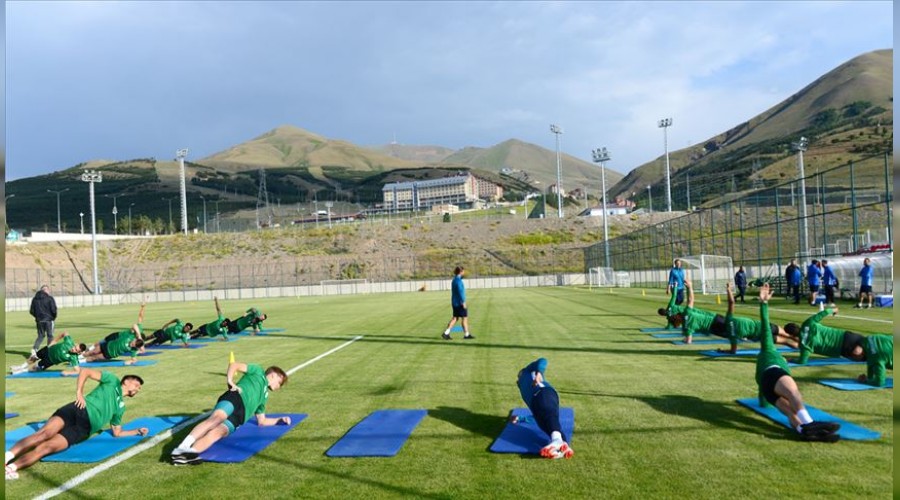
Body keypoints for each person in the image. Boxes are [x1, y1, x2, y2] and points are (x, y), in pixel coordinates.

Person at [5, 368, 147, 480]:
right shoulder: (112, 380)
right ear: (126, 382)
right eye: (136, 385)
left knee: (46, 448)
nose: (137, 389)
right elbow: (85, 371)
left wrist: (136, 431)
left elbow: (117, 432)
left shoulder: (121, 407)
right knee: (44, 434)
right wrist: (79, 392)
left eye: (139, 388)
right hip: (77, 409)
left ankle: (11, 468)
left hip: (84, 428)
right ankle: (7, 456)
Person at [753, 283, 840, 442]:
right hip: (773, 373)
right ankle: (810, 423)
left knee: (790, 412)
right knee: (793, 393)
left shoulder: (763, 360)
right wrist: (764, 304)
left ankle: (803, 431)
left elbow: (762, 391)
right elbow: (765, 326)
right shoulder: (769, 351)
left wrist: (763, 402)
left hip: (766, 387)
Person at [170, 361, 289, 465]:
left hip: (240, 416)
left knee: (218, 433)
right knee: (216, 418)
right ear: (273, 375)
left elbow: (262, 421)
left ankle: (187, 455)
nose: (279, 387)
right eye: (280, 383)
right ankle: (182, 447)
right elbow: (234, 365)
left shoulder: (264, 396)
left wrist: (279, 420)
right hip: (236, 397)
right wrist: (230, 381)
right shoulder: (258, 370)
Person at [515, 357, 573, 459]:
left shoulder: (528, 371)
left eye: (518, 376)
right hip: (537, 402)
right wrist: (521, 419)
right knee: (546, 425)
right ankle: (562, 448)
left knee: (549, 415)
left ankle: (557, 442)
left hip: (544, 393)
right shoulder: (523, 388)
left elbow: (543, 361)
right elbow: (536, 412)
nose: (517, 378)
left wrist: (539, 373)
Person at [716, 283, 798, 355]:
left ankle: (802, 348)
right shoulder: (729, 319)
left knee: (786, 342)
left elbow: (733, 351)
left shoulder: (731, 335)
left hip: (762, 335)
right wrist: (728, 289)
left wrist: (724, 351)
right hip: (765, 326)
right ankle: (804, 345)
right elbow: (731, 302)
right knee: (788, 335)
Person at [784, 307, 871, 365]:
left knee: (871, 357)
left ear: (791, 335)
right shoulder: (808, 323)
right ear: (796, 325)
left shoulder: (804, 345)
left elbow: (802, 361)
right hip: (847, 336)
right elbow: (823, 313)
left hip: (842, 349)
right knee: (874, 346)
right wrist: (833, 310)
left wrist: (791, 360)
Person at [82, 301, 147, 364]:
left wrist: (133, 358)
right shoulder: (133, 334)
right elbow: (138, 321)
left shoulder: (135, 347)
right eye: (133, 343)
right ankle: (84, 353)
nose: (132, 344)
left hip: (112, 351)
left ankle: (79, 360)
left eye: (133, 345)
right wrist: (143, 307)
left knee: (95, 357)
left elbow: (139, 352)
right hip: (117, 336)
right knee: (99, 345)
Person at [669, 280, 728, 344]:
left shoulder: (686, 327)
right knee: (734, 327)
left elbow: (689, 341)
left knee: (731, 335)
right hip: (715, 317)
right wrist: (689, 288)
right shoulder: (687, 313)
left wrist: (684, 339)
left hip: (712, 328)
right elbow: (690, 299)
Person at [10, 331, 87, 376]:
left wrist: (68, 373)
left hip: (50, 361)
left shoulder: (73, 358)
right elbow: (65, 333)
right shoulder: (69, 342)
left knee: (35, 368)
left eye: (76, 350)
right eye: (75, 347)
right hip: (48, 350)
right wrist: (54, 341)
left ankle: (21, 371)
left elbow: (78, 371)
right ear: (76, 344)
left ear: (79, 352)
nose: (73, 349)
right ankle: (20, 366)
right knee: (34, 357)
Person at [441, 266, 474, 340]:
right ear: (461, 272)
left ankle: (446, 333)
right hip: (459, 303)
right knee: (464, 318)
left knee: (455, 318)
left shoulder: (454, 280)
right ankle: (466, 334)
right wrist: (463, 301)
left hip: (454, 302)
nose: (464, 273)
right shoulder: (459, 281)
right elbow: (460, 292)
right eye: (463, 271)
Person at [29, 285, 58, 359]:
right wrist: (53, 317)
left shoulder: (35, 299)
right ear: (46, 290)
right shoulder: (49, 298)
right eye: (48, 290)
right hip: (49, 320)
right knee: (50, 335)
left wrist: (37, 317)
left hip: (39, 321)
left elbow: (31, 311)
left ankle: (34, 350)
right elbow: (54, 309)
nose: (49, 292)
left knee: (40, 336)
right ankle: (49, 352)